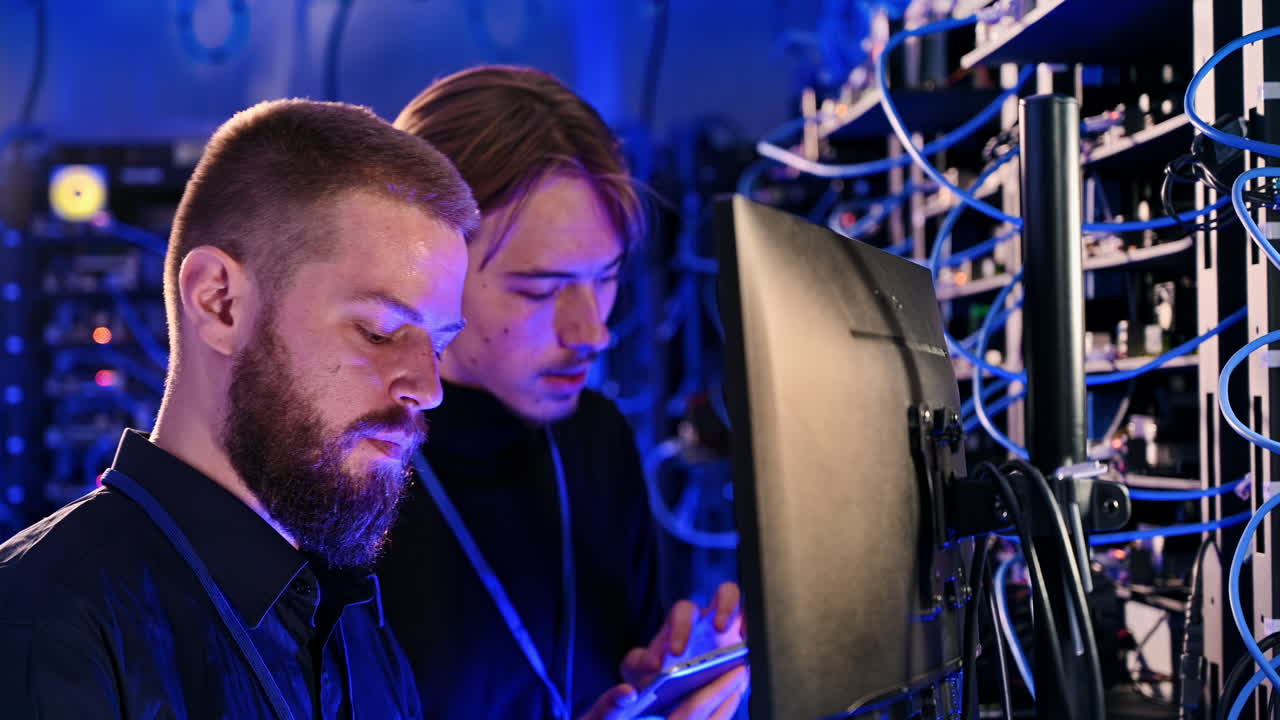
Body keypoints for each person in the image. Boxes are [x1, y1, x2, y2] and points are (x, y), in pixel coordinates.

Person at [0, 98, 477, 719]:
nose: (428, 388)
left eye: (438, 345)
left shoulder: (354, 627)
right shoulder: (42, 622)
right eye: (380, 331)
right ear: (219, 302)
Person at [376, 66, 748, 720]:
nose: (593, 332)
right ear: (420, 272)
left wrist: (663, 685)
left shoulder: (595, 440)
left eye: (605, 278)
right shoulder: (340, 471)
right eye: (540, 290)